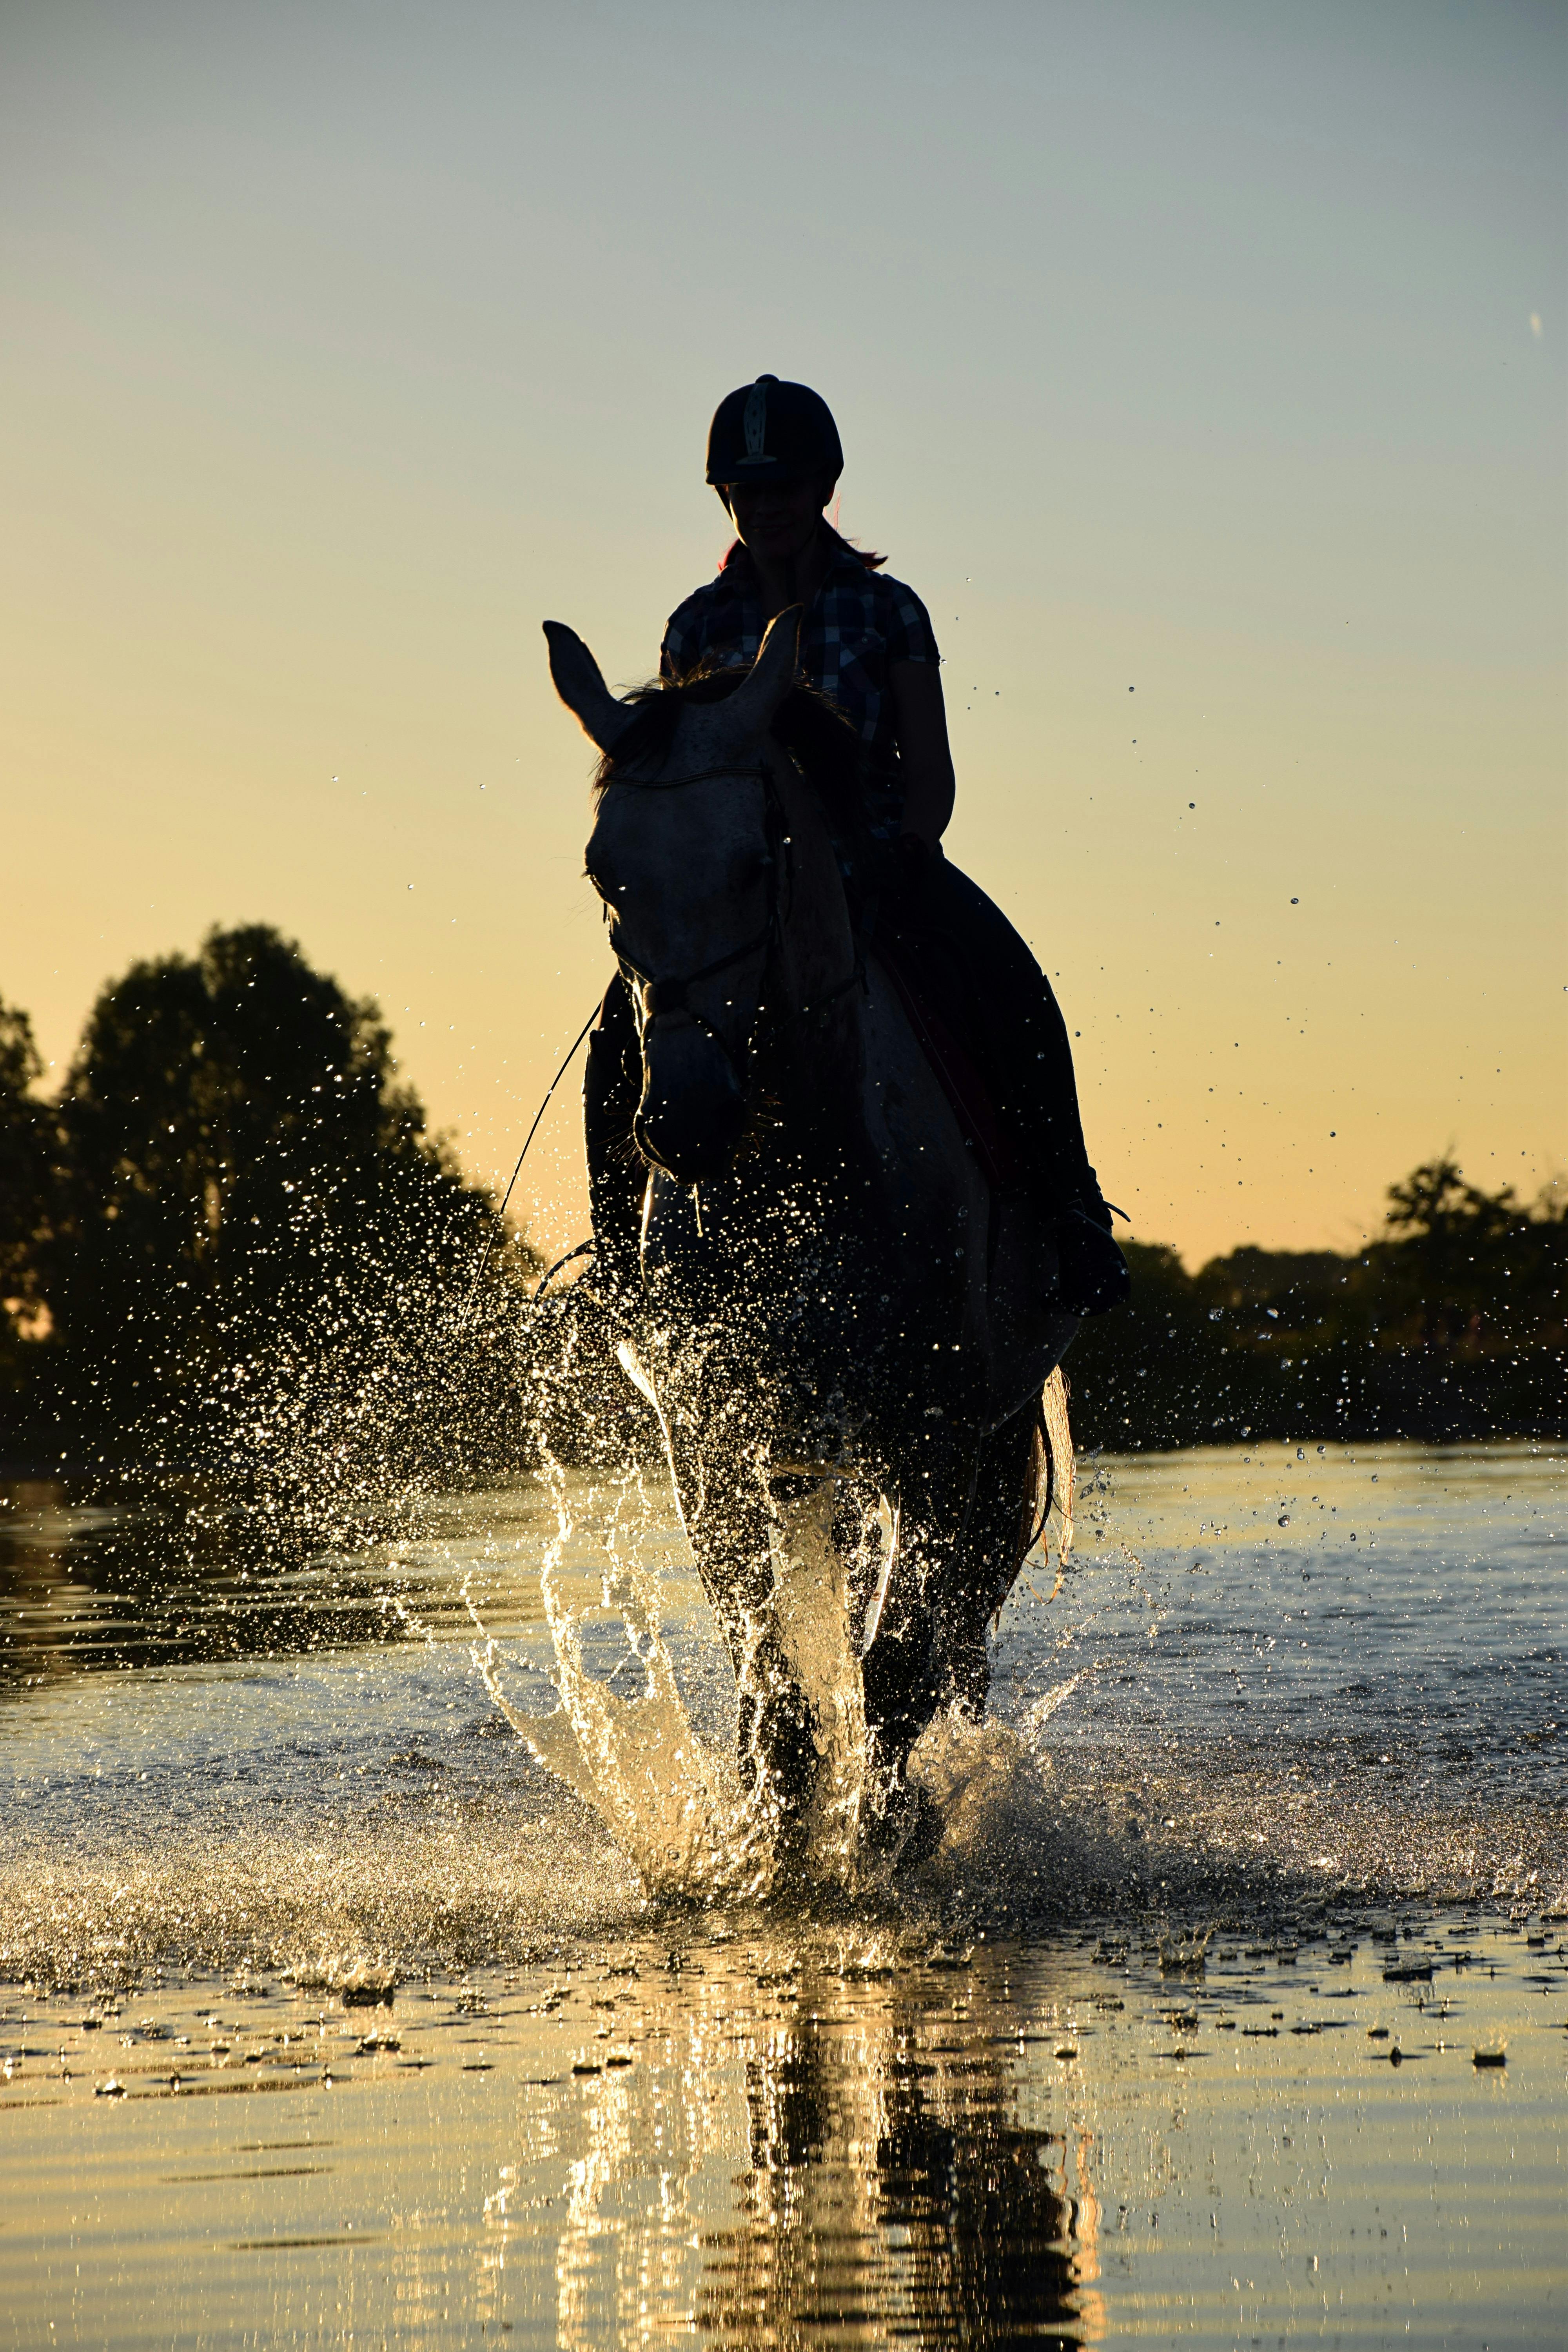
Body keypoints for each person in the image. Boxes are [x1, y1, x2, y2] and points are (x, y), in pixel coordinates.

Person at [583, 374, 1129, 1316]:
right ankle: (615, 1266)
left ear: (823, 488)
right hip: (745, 894)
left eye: (785, 488)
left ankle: (1070, 1213)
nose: (768, 508)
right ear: (726, 499)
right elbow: (681, 783)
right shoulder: (695, 624)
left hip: (881, 870)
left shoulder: (888, 610)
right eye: (748, 492)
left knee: (1009, 981)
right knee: (615, 1037)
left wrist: (910, 846)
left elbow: (931, 771)